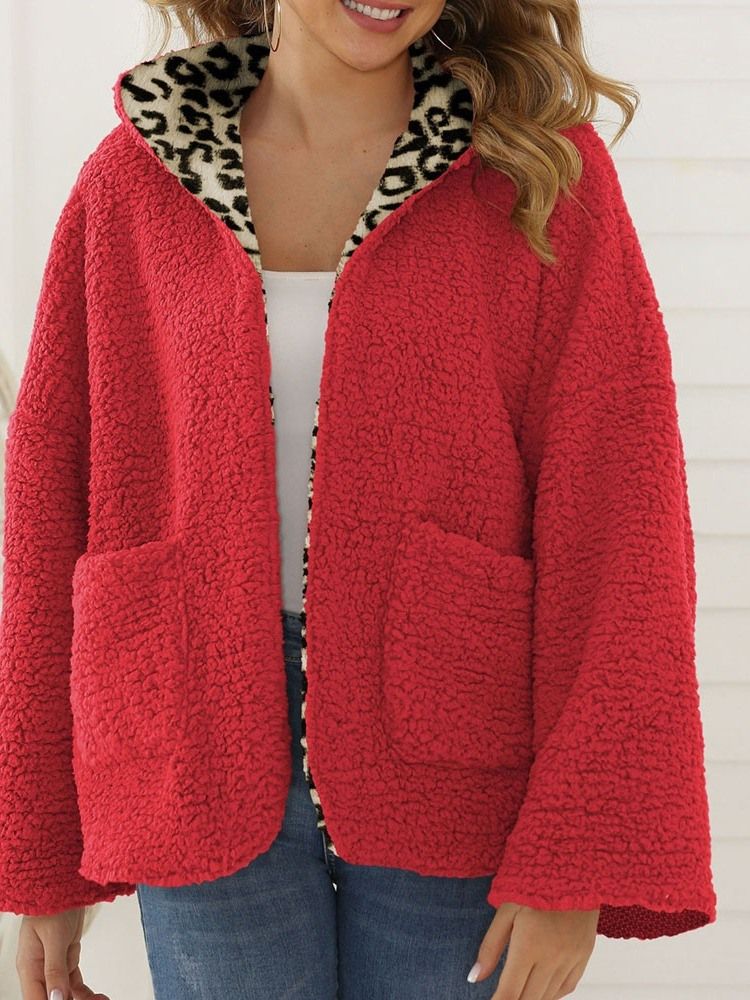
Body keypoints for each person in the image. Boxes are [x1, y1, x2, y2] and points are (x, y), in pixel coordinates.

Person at [1, 0, 717, 998]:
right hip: (190, 736)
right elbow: (51, 505)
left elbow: (622, 511)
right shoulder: (133, 179)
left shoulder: (535, 171)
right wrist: (40, 849)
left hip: (461, 744)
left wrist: (579, 849)